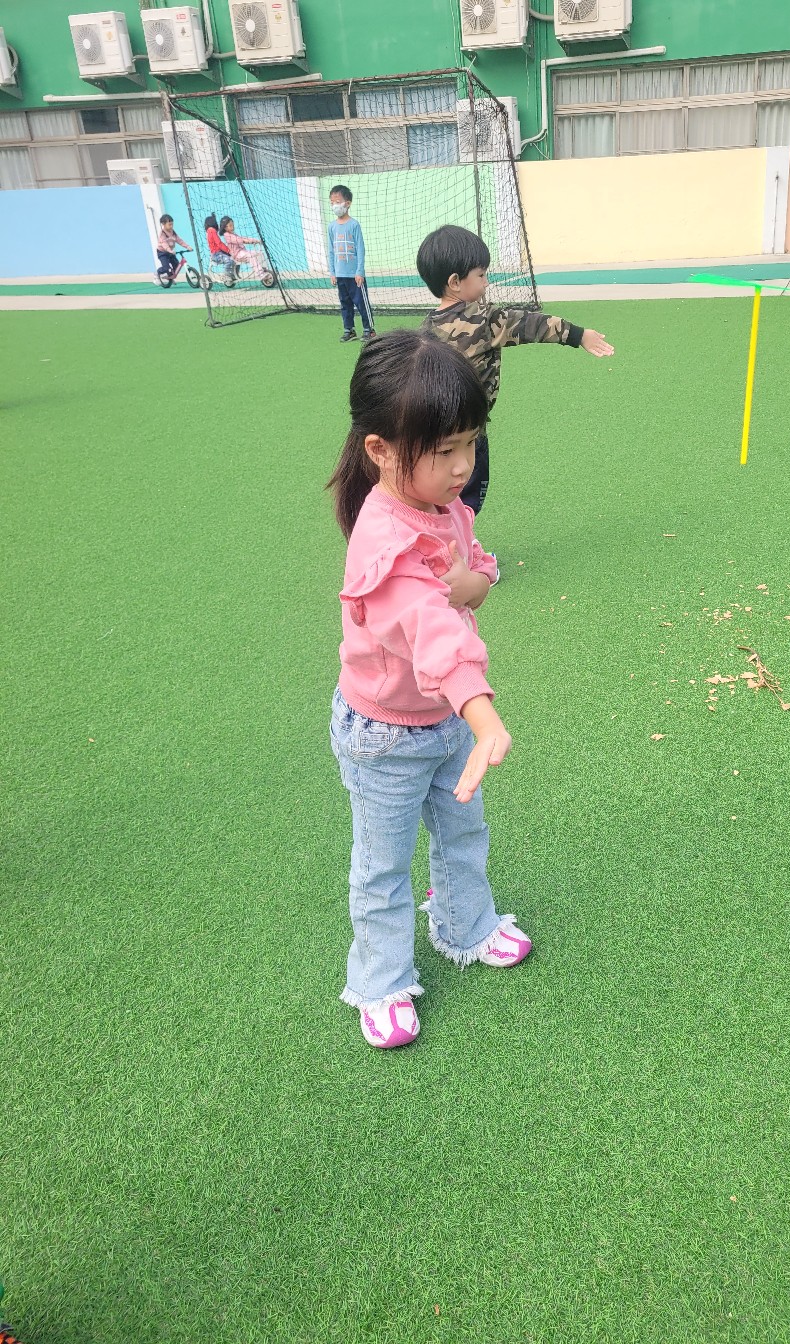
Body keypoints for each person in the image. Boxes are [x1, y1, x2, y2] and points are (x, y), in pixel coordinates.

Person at [326, 328, 531, 1049]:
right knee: (382, 867)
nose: (463, 465)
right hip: (385, 735)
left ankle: (465, 924)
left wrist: (482, 578)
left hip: (441, 719)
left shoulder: (438, 503)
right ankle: (380, 981)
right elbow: (432, 628)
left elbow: (466, 563)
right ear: (381, 450)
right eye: (444, 450)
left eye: (471, 442)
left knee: (463, 832)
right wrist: (483, 715)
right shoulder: (384, 543)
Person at [417, 223, 614, 515]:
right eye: (481, 275)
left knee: (436, 493)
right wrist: (579, 335)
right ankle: (460, 540)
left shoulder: (426, 328)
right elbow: (532, 324)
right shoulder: (483, 320)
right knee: (468, 497)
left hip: (432, 431)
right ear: (455, 281)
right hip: (468, 434)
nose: (486, 282)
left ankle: (440, 536)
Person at [328, 185, 374, 343]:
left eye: (338, 202)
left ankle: (369, 330)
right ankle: (349, 330)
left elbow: (360, 249)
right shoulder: (331, 227)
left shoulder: (354, 225)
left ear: (347, 203)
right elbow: (331, 251)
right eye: (332, 203)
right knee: (345, 304)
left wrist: (359, 271)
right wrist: (332, 272)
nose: (335, 206)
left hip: (354, 275)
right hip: (340, 275)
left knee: (361, 303)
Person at [218, 215, 268, 281]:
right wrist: (250, 241)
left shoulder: (233, 234)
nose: (233, 227)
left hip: (243, 252)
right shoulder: (227, 235)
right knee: (250, 256)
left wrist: (256, 240)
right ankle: (261, 274)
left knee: (259, 253)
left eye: (233, 225)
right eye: (230, 225)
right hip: (237, 255)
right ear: (225, 228)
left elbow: (243, 238)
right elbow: (240, 240)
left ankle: (264, 270)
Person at [155, 213, 192, 284]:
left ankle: (170, 277)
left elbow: (179, 240)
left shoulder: (173, 232)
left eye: (172, 224)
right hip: (162, 253)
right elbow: (164, 244)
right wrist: (170, 250)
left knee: (176, 265)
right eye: (169, 224)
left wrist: (187, 246)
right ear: (163, 224)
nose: (171, 226)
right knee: (166, 268)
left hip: (170, 252)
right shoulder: (162, 234)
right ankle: (157, 273)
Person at [204, 213, 235, 281]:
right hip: (216, 254)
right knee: (229, 260)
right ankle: (226, 275)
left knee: (233, 259)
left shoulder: (210, 231)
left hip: (218, 253)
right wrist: (228, 250)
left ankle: (230, 274)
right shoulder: (212, 230)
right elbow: (219, 243)